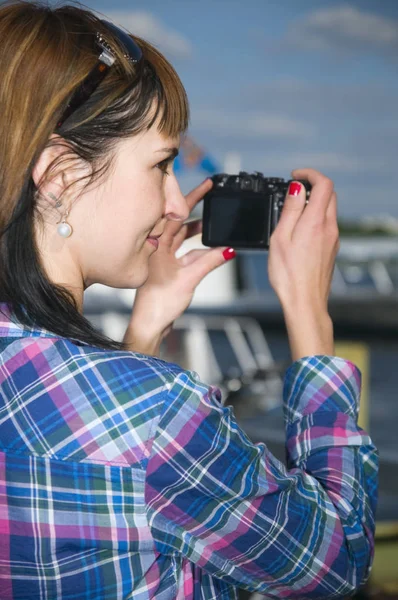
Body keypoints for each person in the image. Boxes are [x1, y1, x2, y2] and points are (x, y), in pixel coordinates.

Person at [0, 2, 378, 599]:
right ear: (61, 174)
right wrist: (309, 312)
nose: (177, 204)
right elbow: (335, 562)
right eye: (160, 165)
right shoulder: (156, 412)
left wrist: (143, 333)